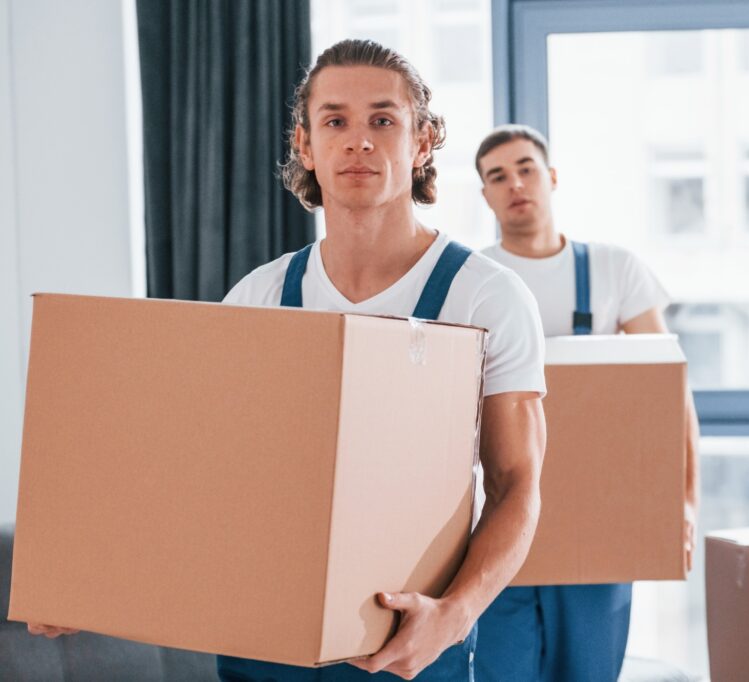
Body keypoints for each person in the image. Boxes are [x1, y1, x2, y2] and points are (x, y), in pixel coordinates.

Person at [29, 40, 548, 682]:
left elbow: (517, 487)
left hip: (408, 643)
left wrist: (456, 614)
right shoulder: (261, 296)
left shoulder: (485, 296)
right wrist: (94, 581)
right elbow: (202, 473)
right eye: (336, 121)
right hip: (262, 639)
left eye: (383, 120)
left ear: (421, 143)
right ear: (305, 145)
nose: (359, 141)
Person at [473, 124, 700, 682]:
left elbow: (667, 392)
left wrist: (685, 502)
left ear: (550, 177)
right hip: (498, 517)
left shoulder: (614, 270)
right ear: (484, 195)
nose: (515, 184)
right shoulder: (474, 280)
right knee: (502, 670)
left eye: (525, 168)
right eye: (497, 177)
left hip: (601, 517)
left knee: (589, 671)